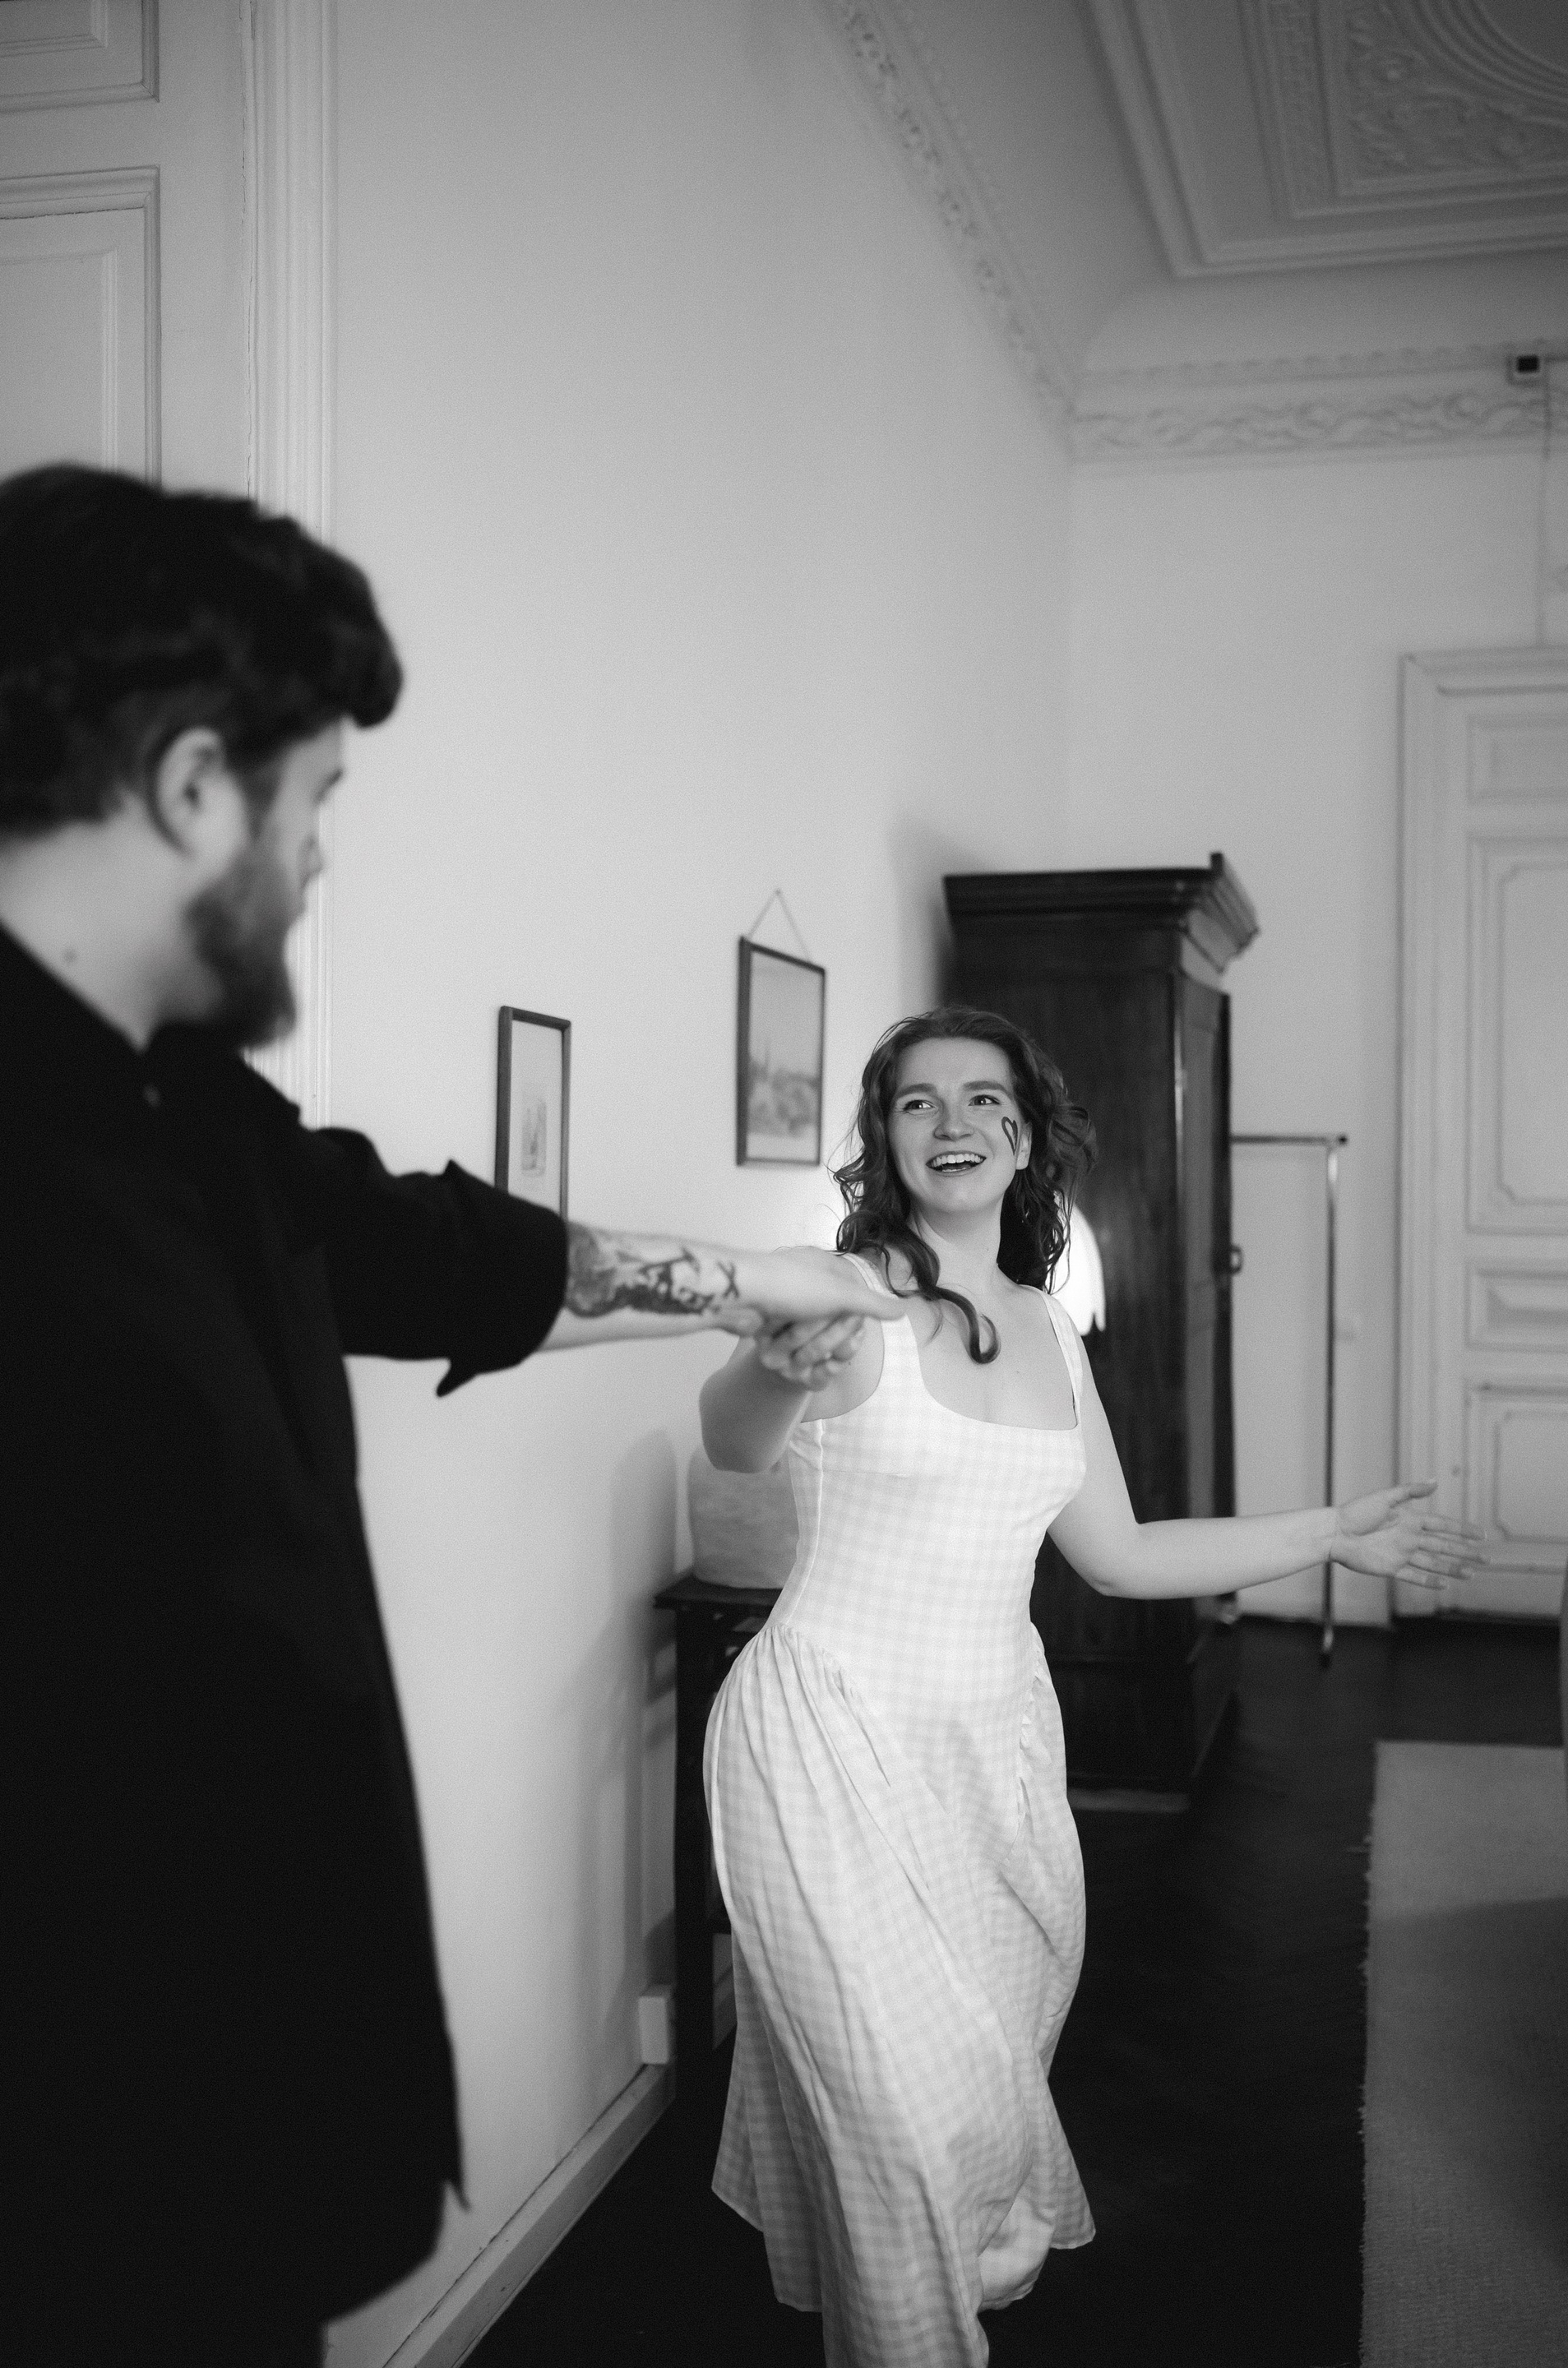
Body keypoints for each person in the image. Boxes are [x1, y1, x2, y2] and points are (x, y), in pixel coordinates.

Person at [0, 464, 904, 2367]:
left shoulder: (182, 1106)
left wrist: (758, 1278)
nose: (320, 860)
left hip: (222, 2089)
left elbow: (431, 1254)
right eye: (315, 801)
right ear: (190, 786)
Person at [700, 1006, 1481, 2368]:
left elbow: (1122, 1554)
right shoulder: (852, 1293)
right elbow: (735, 1442)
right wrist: (770, 1370)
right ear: (886, 1139)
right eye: (917, 1101)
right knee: (898, 2109)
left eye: (983, 1100)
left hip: (993, 1760)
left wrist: (1331, 1532)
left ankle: (926, 2285)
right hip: (824, 1741)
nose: (953, 1122)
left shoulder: (1052, 1332)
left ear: (1026, 1141)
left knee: (975, 2078)